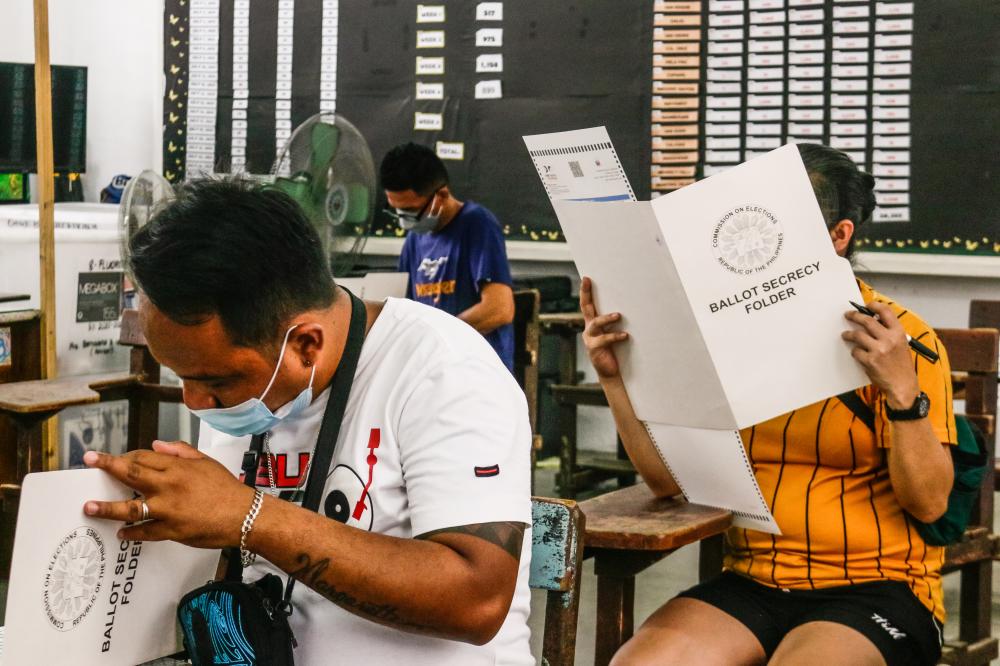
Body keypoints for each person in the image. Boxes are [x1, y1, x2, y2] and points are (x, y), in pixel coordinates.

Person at [82, 179, 534, 665]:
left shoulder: (443, 371)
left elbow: (478, 601)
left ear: (306, 345)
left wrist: (246, 515)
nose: (196, 401)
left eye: (215, 381)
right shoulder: (248, 385)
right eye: (183, 378)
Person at [582, 144, 955, 666]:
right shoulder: (722, 336)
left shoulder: (900, 339)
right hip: (752, 581)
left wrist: (901, 391)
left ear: (838, 236)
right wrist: (615, 381)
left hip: (879, 586)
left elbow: (930, 504)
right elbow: (669, 484)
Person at [381, 142, 516, 370]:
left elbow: (499, 309)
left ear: (441, 195)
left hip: (478, 371)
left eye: (412, 212)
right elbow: (401, 311)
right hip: (434, 370)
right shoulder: (414, 241)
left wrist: (436, 337)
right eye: (399, 211)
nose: (405, 221)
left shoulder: (477, 225)